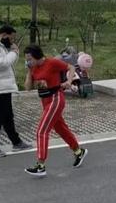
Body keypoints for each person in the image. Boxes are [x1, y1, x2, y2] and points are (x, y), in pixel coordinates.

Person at [23, 44, 87, 177]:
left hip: (55, 99)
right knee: (60, 128)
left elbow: (71, 67)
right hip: (45, 101)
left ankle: (40, 166)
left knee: (42, 131)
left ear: (37, 56)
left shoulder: (52, 62)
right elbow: (27, 88)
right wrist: (29, 71)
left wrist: (69, 81)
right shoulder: (33, 68)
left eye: (30, 59)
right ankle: (78, 152)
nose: (28, 61)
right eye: (26, 59)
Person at [0, 25, 31, 157]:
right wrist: (13, 52)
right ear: (4, 35)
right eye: (11, 38)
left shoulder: (0, 46)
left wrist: (14, 52)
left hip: (3, 87)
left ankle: (16, 142)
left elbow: (9, 63)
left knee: (8, 116)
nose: (12, 41)